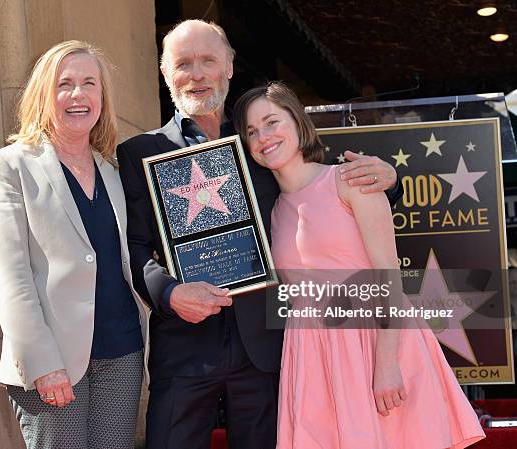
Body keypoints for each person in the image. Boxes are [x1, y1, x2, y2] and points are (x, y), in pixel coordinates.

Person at [117, 20, 401, 449]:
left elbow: (320, 190)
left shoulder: (261, 140)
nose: (196, 74)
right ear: (165, 72)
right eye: (183, 63)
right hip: (184, 348)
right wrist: (169, 294)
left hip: (268, 350)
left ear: (229, 66)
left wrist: (388, 180)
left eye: (208, 60)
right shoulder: (140, 153)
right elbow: (135, 247)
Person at [233, 81, 486, 449]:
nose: (263, 136)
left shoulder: (350, 180)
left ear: (298, 121)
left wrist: (386, 365)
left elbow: (388, 277)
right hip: (311, 357)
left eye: (272, 122)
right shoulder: (271, 212)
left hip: (375, 344)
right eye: (252, 131)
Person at [0, 40, 150, 449]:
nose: (78, 95)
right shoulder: (10, 165)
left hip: (122, 353)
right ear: (44, 94)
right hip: (52, 360)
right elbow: (11, 277)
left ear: (102, 97)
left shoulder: (115, 170)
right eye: (65, 84)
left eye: (89, 83)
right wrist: (42, 363)